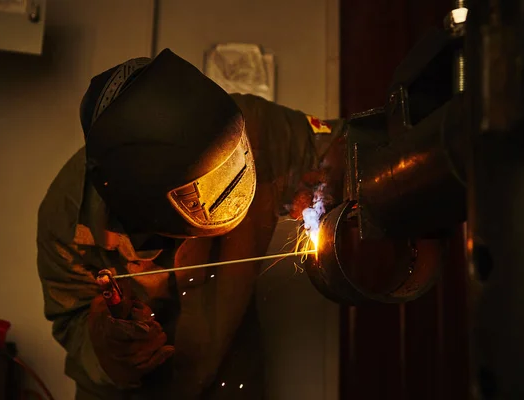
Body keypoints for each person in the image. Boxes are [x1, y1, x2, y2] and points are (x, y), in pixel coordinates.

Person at [36, 48, 345, 400]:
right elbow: (70, 321)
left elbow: (345, 148)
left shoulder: (253, 126)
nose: (231, 191)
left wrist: (324, 185)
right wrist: (108, 343)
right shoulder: (65, 215)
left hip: (230, 378)